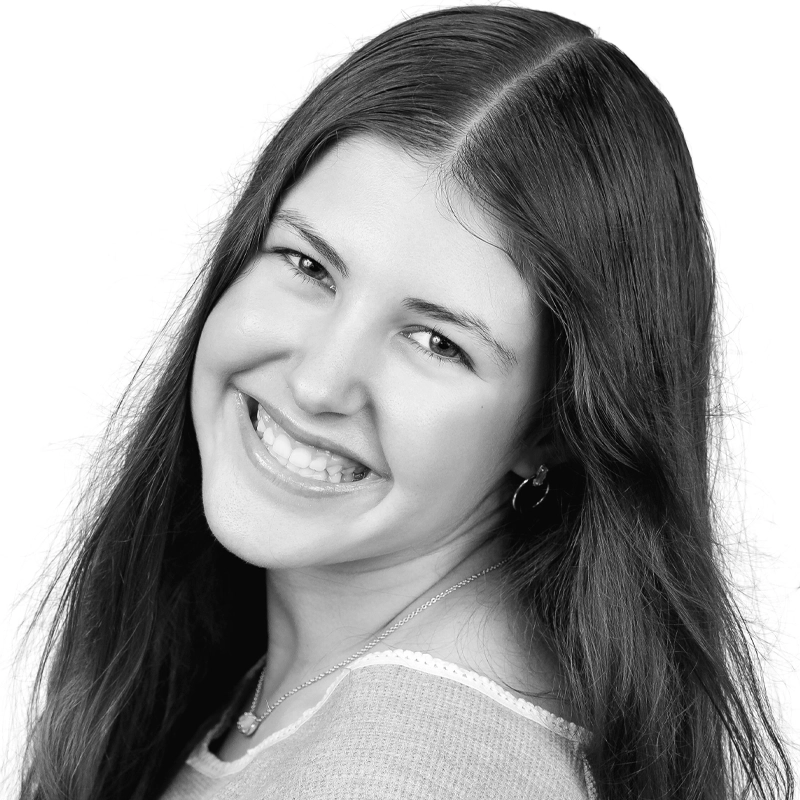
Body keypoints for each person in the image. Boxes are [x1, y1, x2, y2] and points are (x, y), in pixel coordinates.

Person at [19, 6, 795, 800]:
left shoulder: (398, 775)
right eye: (307, 265)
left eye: (435, 343)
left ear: (553, 428)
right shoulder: (291, 685)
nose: (319, 381)